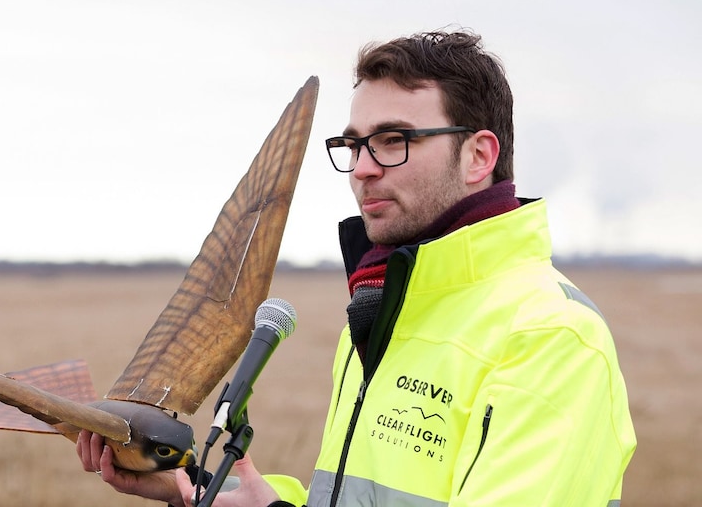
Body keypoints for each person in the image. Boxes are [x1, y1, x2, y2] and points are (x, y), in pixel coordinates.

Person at [77, 29, 637, 506]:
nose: (363, 169)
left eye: (394, 141)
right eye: (354, 145)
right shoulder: (383, 310)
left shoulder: (551, 338)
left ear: (479, 157)